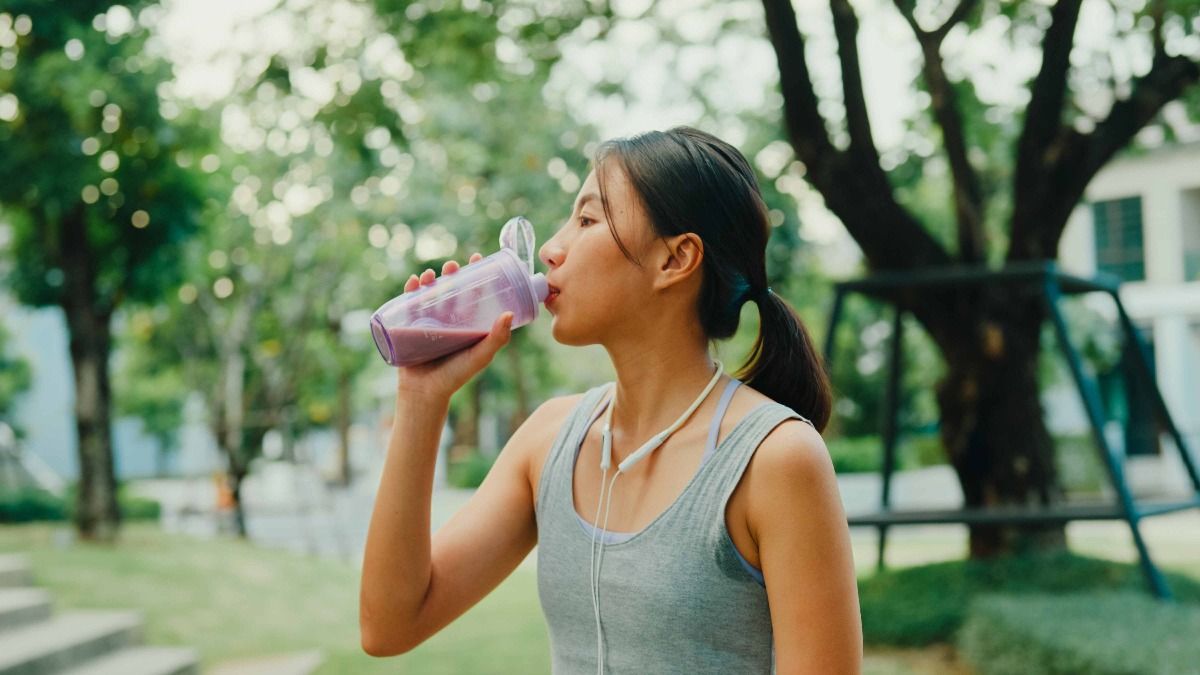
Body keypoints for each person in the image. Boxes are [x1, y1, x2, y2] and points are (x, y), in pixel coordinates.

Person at [360, 126, 862, 673]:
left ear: (675, 259)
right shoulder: (549, 440)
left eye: (587, 220)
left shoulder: (774, 460)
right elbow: (390, 625)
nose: (550, 250)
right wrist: (421, 395)